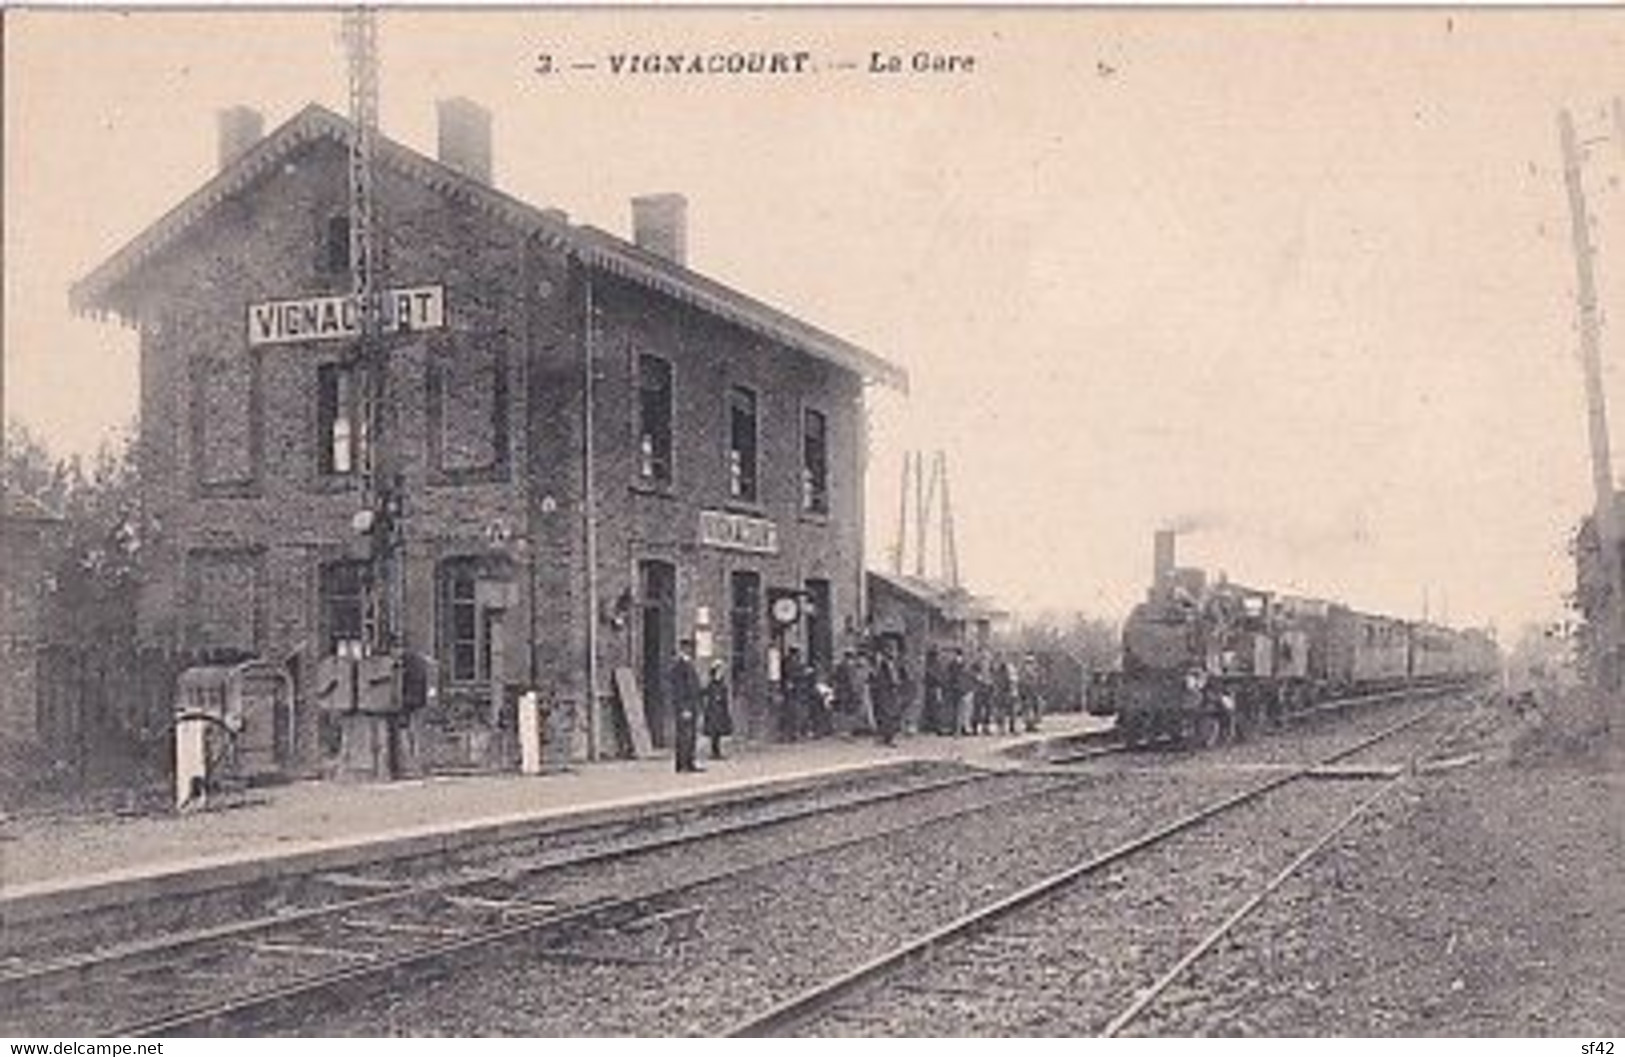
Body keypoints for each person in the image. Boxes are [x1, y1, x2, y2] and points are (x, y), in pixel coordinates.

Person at [670, 639, 704, 773]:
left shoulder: (689, 664)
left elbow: (694, 686)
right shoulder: (679, 666)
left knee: (691, 735)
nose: (690, 650)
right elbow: (679, 688)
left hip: (692, 705)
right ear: (683, 649)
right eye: (688, 648)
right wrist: (684, 707)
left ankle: (689, 762)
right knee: (684, 735)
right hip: (685, 706)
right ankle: (682, 764)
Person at [703, 658, 734, 761]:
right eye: (719, 671)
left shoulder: (722, 684)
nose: (720, 673)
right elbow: (707, 693)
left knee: (719, 732)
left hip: (720, 710)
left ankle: (717, 751)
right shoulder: (712, 684)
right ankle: (714, 751)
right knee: (714, 731)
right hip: (713, 710)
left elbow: (724, 696)